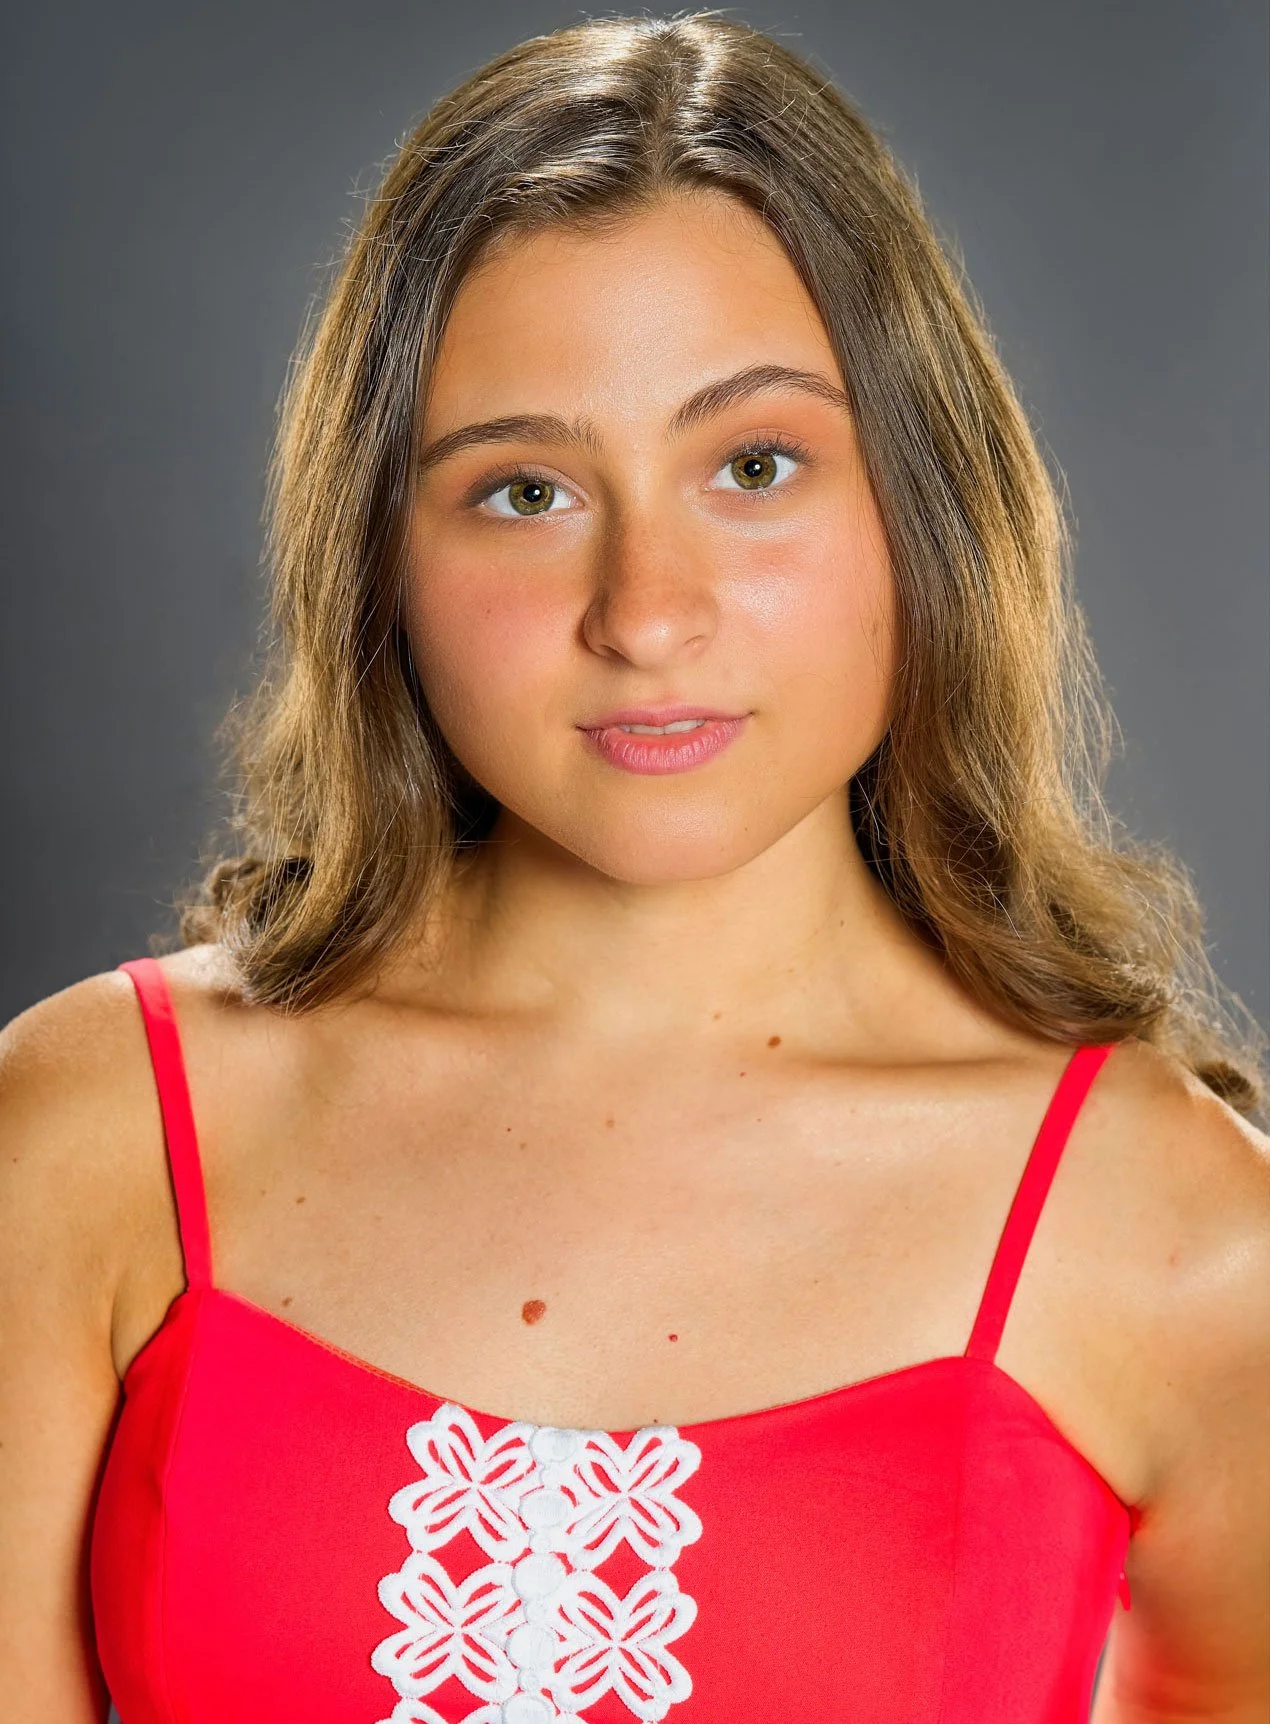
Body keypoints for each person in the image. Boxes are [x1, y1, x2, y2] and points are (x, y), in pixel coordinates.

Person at [2, 12, 1266, 1722]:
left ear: (921, 500)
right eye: (523, 491)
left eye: (754, 467)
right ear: (380, 552)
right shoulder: (89, 1135)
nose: (646, 612)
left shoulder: (1192, 1247)